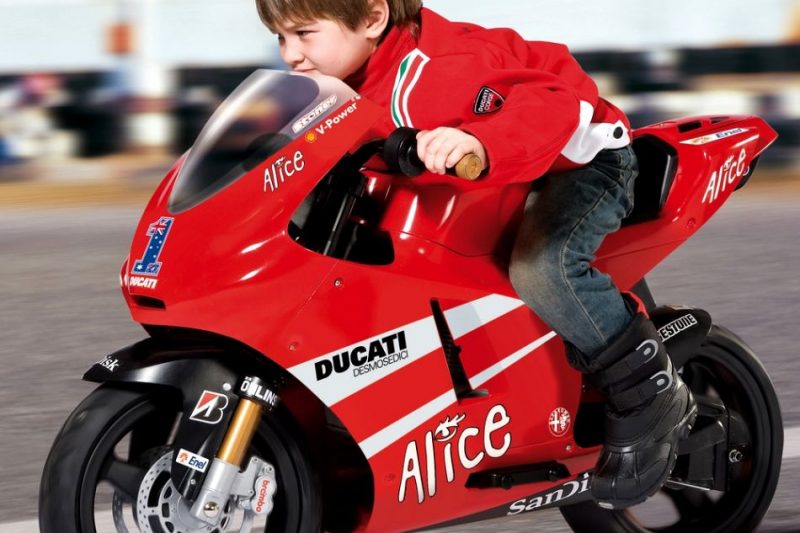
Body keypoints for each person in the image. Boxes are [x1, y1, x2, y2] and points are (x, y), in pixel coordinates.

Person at [255, 0, 696, 509]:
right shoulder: (334, 83)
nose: (290, 54)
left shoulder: (441, 71)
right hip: (499, 177)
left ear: (373, 19)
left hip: (579, 163)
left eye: (304, 34)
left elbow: (551, 104)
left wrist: (479, 140)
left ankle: (649, 390)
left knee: (543, 268)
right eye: (280, 37)